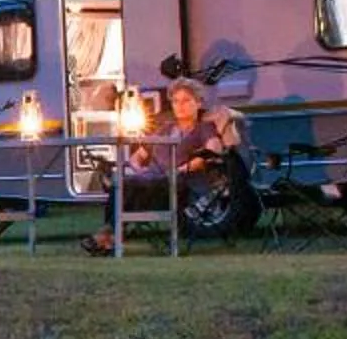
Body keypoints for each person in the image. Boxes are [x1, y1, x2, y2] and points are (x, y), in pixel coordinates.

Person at [85, 78, 253, 251]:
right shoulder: (165, 129)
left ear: (198, 103)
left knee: (124, 187)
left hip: (177, 183)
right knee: (124, 185)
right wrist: (139, 169)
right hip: (151, 179)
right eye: (176, 101)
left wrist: (181, 169)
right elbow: (137, 156)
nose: (180, 106)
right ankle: (110, 235)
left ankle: (109, 236)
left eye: (186, 101)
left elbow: (212, 152)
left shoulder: (203, 128)